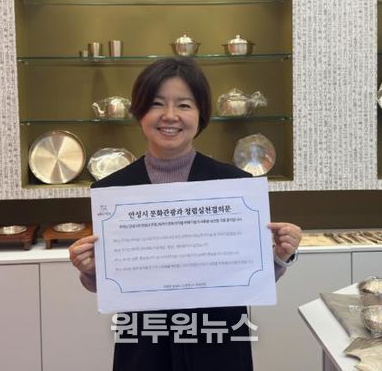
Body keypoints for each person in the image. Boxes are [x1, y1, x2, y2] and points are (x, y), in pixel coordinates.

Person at [69, 57, 302, 371]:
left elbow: (249, 279)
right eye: (156, 104)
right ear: (139, 112)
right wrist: (89, 269)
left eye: (184, 105)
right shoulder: (113, 191)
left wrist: (279, 256)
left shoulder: (235, 185)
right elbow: (108, 284)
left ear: (200, 114)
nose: (170, 115)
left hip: (218, 341)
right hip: (145, 342)